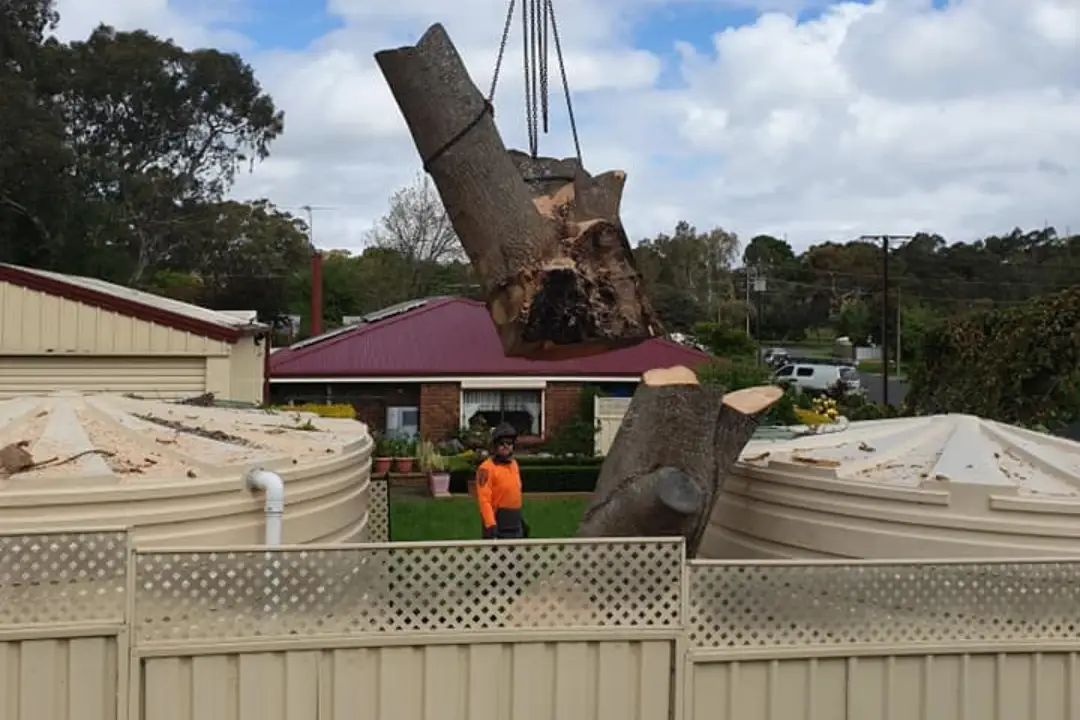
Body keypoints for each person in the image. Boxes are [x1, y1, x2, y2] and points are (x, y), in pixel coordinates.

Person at [475, 422, 528, 539]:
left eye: (509, 443)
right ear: (495, 446)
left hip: (515, 522)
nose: (505, 446)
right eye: (501, 443)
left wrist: (520, 520)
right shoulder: (485, 469)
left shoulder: (514, 464)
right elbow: (484, 500)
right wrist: (490, 524)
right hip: (497, 523)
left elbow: (514, 494)